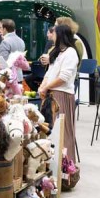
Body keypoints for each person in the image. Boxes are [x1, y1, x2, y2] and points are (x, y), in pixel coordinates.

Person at [38, 24, 79, 163]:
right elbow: (49, 73)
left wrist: (46, 87)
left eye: (54, 33)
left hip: (62, 96)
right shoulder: (57, 52)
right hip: (50, 95)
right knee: (47, 129)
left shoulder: (71, 53)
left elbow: (63, 78)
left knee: (61, 132)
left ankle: (64, 167)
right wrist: (43, 86)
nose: (51, 36)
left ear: (61, 35)